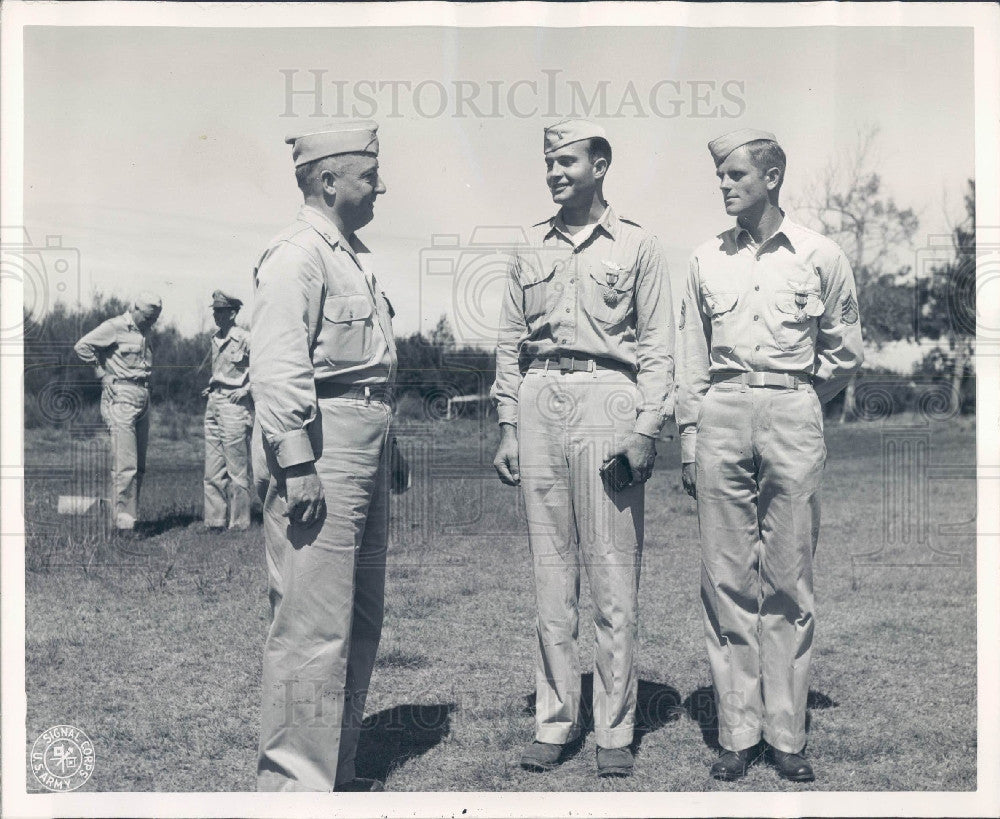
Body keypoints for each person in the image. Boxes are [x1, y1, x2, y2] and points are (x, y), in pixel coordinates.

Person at [676, 128, 864, 782]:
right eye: (720, 176)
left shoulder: (820, 254)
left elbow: (844, 351)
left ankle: (785, 732)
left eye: (736, 175)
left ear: (772, 176)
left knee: (788, 576)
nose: (725, 186)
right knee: (726, 578)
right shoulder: (705, 259)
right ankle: (737, 730)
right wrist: (690, 434)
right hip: (721, 410)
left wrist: (800, 397)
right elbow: (692, 358)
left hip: (792, 408)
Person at [491, 119, 674, 778]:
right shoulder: (527, 246)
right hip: (541, 397)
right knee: (550, 574)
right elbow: (510, 340)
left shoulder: (639, 245)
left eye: (567, 161)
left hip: (609, 399)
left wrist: (647, 427)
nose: (554, 172)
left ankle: (615, 728)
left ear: (601, 165)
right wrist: (508, 424)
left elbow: (656, 346)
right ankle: (554, 720)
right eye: (548, 163)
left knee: (612, 575)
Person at [251, 120, 397, 792]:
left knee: (359, 616)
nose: (381, 186)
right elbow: (279, 364)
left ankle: (337, 768)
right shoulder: (297, 254)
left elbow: (368, 366)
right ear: (329, 180)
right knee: (311, 624)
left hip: (363, 439)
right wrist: (297, 460)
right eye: (370, 175)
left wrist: (387, 444)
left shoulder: (352, 254)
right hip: (321, 443)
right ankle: (292, 788)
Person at [74, 292, 162, 533]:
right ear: (134, 307)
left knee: (139, 466)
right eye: (147, 317)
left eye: (154, 319)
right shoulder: (115, 326)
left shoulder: (145, 331)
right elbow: (83, 346)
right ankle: (122, 525)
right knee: (125, 464)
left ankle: (129, 517)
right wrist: (102, 374)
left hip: (143, 396)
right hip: (121, 395)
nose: (151, 322)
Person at [201, 289, 252, 531]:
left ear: (232, 313)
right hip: (214, 401)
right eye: (215, 312)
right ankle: (214, 521)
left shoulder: (245, 338)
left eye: (221, 311)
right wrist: (212, 385)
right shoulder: (215, 338)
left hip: (234, 405)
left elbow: (264, 365)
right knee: (213, 466)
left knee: (236, 468)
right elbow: (220, 371)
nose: (216, 316)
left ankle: (240, 523)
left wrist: (248, 389)